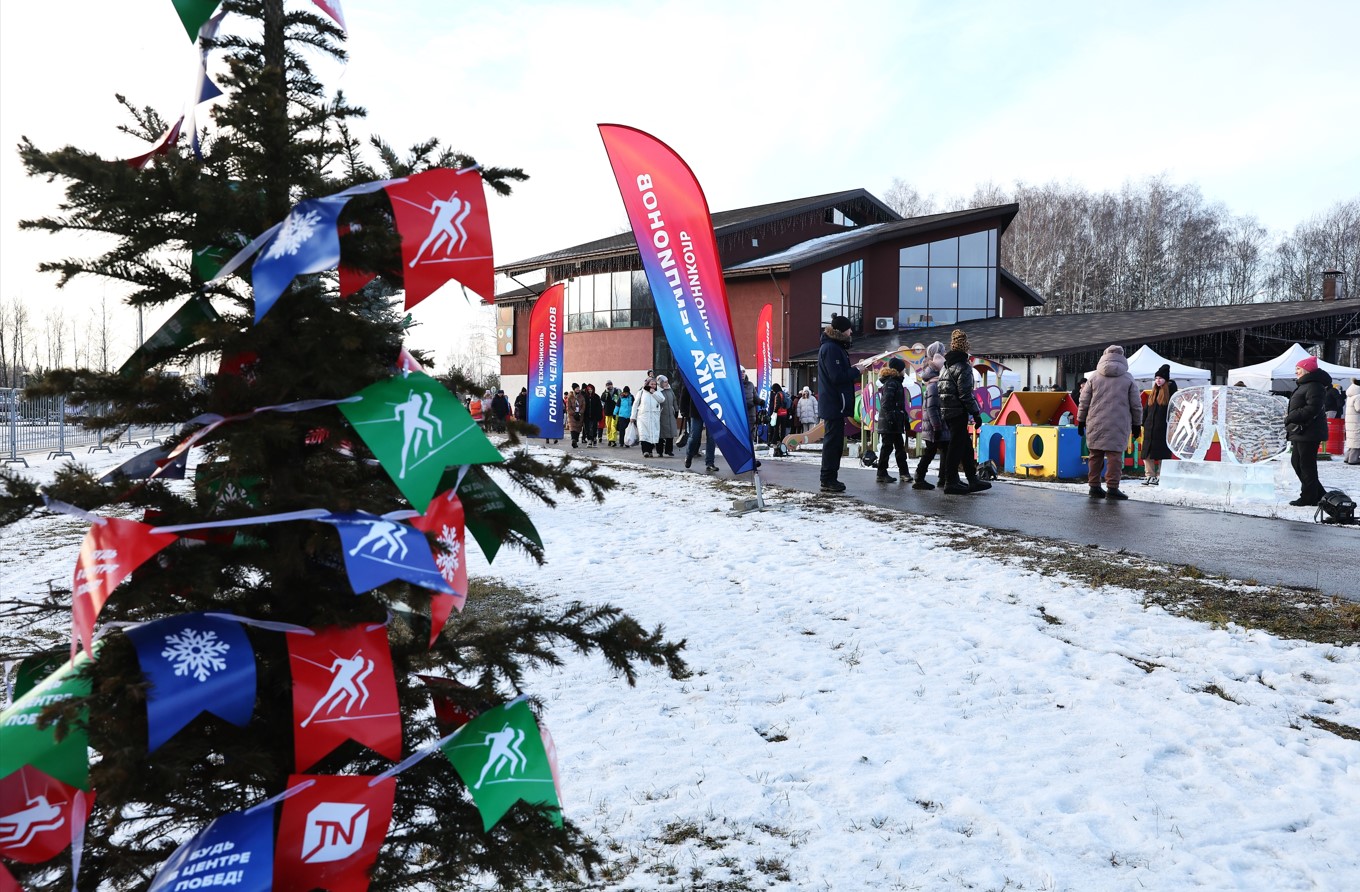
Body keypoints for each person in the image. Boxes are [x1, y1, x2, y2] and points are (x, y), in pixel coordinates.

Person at [1077, 344, 1142, 501]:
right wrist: (1137, 424)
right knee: (1114, 456)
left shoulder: (1093, 377)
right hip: (1118, 424)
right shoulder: (1128, 379)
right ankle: (1112, 488)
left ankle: (1094, 486)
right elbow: (1136, 404)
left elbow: (1084, 401)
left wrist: (1080, 420)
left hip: (1095, 421)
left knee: (1095, 455)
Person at [937, 329, 988, 495]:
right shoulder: (963, 367)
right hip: (958, 411)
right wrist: (976, 413)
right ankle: (951, 481)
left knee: (965, 445)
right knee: (957, 446)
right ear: (966, 347)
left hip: (947, 410)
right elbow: (965, 394)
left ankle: (972, 479)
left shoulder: (946, 366)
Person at [816, 314, 857, 493]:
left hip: (835, 404)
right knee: (833, 443)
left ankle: (830, 478)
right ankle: (828, 479)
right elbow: (837, 377)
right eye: (849, 329)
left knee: (835, 443)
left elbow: (839, 373)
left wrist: (855, 369)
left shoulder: (834, 347)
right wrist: (856, 371)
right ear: (841, 331)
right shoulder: (831, 348)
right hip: (833, 404)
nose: (852, 332)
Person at [1283, 356, 1331, 506]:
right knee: (1297, 462)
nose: (1296, 371)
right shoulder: (1305, 385)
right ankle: (1319, 494)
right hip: (1301, 431)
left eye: (1298, 368)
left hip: (1309, 432)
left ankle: (1309, 497)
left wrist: (1291, 416)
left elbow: (1312, 408)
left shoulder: (1314, 386)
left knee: (1306, 465)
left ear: (1307, 370)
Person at [1140, 363, 1177, 485]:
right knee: (1147, 453)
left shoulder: (1169, 392)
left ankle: (1161, 476)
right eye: (1156, 378)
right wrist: (1144, 422)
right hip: (1150, 427)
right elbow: (1146, 408)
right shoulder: (1153, 393)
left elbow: (1173, 408)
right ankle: (1149, 476)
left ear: (1166, 379)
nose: (1158, 381)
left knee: (1162, 454)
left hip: (1162, 428)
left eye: (1160, 378)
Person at [874, 356, 910, 483]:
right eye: (903, 369)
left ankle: (904, 473)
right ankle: (881, 473)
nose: (904, 371)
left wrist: (905, 419)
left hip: (894, 422)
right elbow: (886, 404)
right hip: (889, 423)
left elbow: (899, 405)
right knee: (887, 447)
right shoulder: (891, 383)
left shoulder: (896, 382)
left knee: (899, 448)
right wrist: (891, 419)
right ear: (898, 370)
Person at [913, 359, 945, 490]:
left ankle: (942, 478)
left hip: (932, 424)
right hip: (933, 425)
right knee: (931, 452)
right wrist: (937, 426)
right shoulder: (934, 385)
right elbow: (932, 407)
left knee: (937, 451)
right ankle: (919, 477)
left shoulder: (932, 384)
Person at [680, 380, 718, 471]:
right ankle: (689, 456)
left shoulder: (713, 379)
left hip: (711, 411)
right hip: (696, 411)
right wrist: (683, 410)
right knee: (695, 436)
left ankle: (710, 463)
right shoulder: (693, 377)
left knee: (712, 438)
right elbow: (684, 394)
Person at [633, 377, 663, 457]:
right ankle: (645, 451)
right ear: (647, 384)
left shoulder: (657, 392)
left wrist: (654, 393)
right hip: (643, 417)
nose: (653, 386)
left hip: (654, 417)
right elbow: (635, 404)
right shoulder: (641, 392)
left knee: (652, 435)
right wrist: (633, 416)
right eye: (651, 384)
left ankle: (650, 451)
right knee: (643, 434)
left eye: (654, 384)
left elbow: (662, 400)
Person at [656, 375, 678, 456]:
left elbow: (674, 400)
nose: (667, 383)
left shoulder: (670, 390)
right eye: (665, 382)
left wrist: (676, 410)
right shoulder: (658, 391)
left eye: (667, 381)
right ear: (660, 383)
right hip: (661, 415)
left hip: (670, 414)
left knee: (670, 433)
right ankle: (659, 451)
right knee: (660, 434)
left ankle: (669, 450)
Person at [1345, 378, 1360, 465]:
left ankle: (1347, 458)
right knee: (1357, 441)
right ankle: (1353, 460)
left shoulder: (1351, 395)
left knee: (1352, 441)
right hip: (1357, 422)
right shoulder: (1358, 396)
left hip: (1352, 422)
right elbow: (1358, 408)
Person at [564, 383, 583, 448]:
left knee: (578, 428)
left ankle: (576, 440)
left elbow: (584, 405)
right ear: (574, 389)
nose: (578, 389)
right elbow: (568, 407)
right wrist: (573, 413)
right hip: (572, 415)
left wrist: (580, 413)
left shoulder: (581, 396)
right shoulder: (570, 397)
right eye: (576, 388)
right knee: (572, 428)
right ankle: (573, 439)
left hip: (580, 415)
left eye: (578, 388)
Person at [601, 380, 619, 446]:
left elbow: (619, 399)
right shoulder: (605, 392)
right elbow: (602, 399)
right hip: (607, 412)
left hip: (615, 412)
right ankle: (609, 439)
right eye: (608, 385)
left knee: (613, 426)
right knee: (608, 427)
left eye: (610, 384)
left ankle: (613, 440)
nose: (609, 386)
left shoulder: (616, 391)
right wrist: (606, 392)